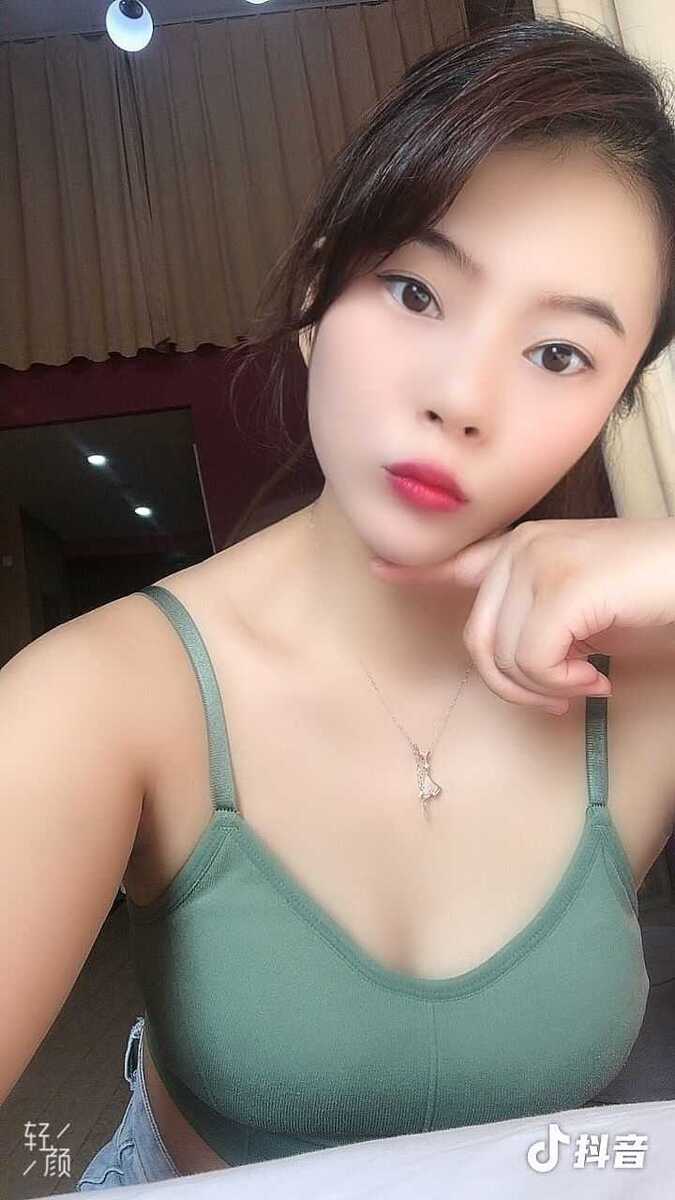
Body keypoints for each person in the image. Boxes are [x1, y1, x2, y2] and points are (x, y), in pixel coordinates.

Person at [2, 15, 675, 1191]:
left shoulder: (645, 680)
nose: (462, 398)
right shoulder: (103, 694)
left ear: (614, 404)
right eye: (415, 290)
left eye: (561, 355)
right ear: (317, 295)